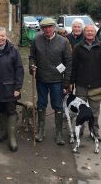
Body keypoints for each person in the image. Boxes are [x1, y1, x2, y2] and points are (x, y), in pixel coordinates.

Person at [29, 17, 72, 145]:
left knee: (57, 105)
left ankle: (59, 133)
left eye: (50, 27)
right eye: (44, 27)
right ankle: (41, 130)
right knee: (41, 104)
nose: (47, 29)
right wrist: (32, 66)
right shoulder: (36, 40)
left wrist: (66, 82)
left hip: (57, 80)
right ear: (41, 29)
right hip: (41, 78)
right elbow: (32, 57)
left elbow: (68, 62)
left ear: (54, 27)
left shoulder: (63, 42)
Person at [71, 24, 101, 141]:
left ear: (95, 33)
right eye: (87, 31)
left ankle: (94, 131)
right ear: (84, 33)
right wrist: (70, 83)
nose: (89, 33)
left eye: (92, 31)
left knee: (94, 111)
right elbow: (74, 66)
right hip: (81, 84)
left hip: (96, 85)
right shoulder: (78, 47)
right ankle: (80, 129)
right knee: (80, 109)